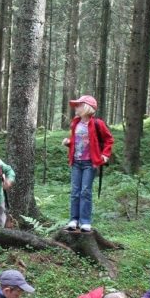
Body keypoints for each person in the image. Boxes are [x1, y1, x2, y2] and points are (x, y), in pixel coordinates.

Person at [62, 95, 114, 232]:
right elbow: (78, 141)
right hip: (76, 162)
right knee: (75, 192)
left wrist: (105, 155)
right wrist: (69, 143)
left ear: (86, 107)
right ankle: (74, 220)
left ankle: (85, 221)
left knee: (85, 191)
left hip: (90, 163)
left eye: (79, 105)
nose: (76, 107)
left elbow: (109, 140)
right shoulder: (75, 123)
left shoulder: (97, 123)